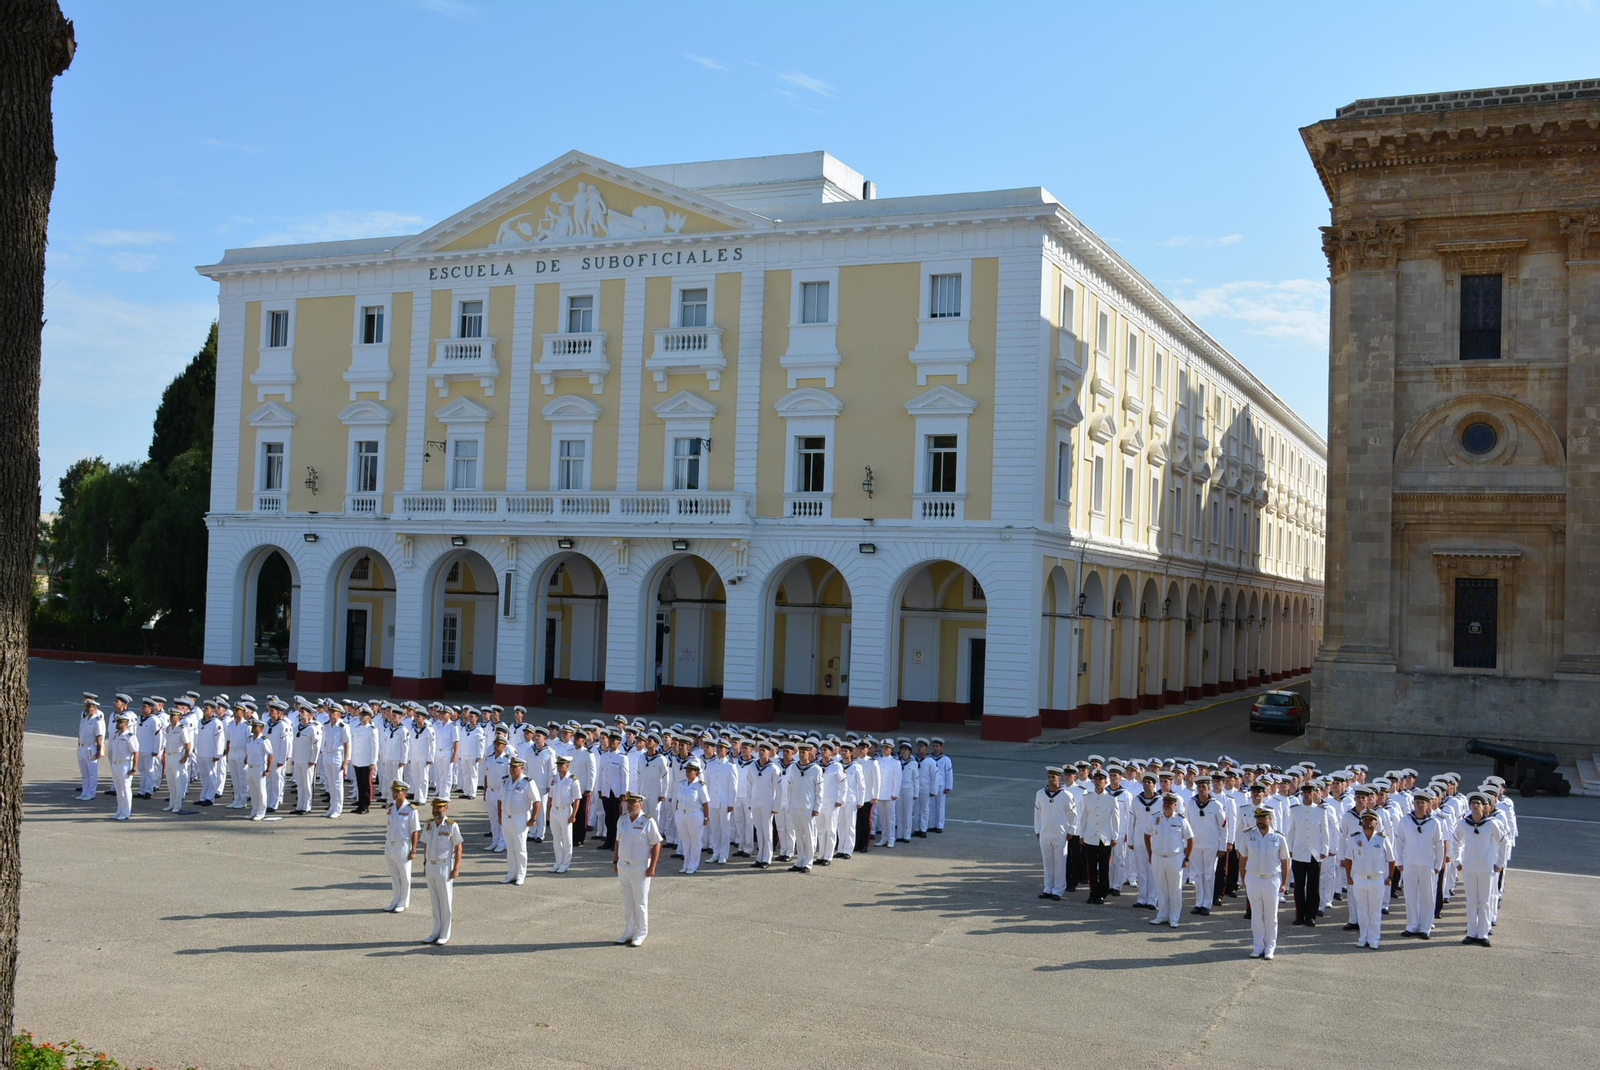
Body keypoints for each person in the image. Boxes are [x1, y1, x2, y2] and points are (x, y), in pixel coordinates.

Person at [1452, 791, 1506, 947]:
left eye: (1478, 803)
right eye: (1473, 803)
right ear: (1469, 806)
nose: (1475, 806)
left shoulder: (1492, 823)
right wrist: (1457, 861)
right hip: (1469, 867)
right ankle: (1471, 932)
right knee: (1471, 901)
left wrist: (1499, 863)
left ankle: (1482, 933)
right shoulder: (1463, 824)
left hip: (1486, 867)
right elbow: (1456, 843)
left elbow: (1503, 842)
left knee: (1484, 901)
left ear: (1483, 807)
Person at [1238, 806, 1290, 959]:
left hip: (1272, 879)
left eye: (1263, 817)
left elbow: (1285, 861)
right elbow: (1243, 858)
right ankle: (1258, 945)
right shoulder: (1248, 836)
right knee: (1256, 915)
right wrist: (1243, 879)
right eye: (1258, 818)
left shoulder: (1279, 837)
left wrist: (1284, 883)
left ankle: (1270, 946)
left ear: (1270, 819)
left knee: (1271, 916)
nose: (1260, 820)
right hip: (1253, 878)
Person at [614, 792, 663, 947]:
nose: (629, 805)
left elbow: (656, 844)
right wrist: (615, 860)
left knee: (640, 902)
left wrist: (652, 866)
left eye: (632, 803)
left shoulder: (647, 821)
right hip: (624, 866)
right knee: (628, 902)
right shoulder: (622, 820)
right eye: (628, 803)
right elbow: (618, 841)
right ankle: (628, 931)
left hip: (640, 867)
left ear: (640, 804)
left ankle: (641, 933)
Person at [1396, 789, 1446, 939]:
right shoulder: (1405, 820)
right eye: (1417, 802)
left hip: (1427, 864)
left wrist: (1438, 864)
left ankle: (1425, 927)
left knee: (1427, 896)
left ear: (1428, 804)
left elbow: (1439, 845)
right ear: (1413, 803)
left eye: (1422, 803)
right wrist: (1399, 861)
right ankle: (1411, 925)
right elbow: (1399, 842)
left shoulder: (1435, 822)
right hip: (1410, 863)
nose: (1419, 805)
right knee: (1410, 895)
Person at [1342, 808, 1395, 949]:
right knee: (1362, 910)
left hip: (1377, 879)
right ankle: (1362, 936)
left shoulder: (1382, 839)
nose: (1368, 821)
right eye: (1365, 819)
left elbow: (1391, 859)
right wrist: (1349, 877)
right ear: (1361, 822)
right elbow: (1348, 859)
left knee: (1375, 910)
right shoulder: (1354, 838)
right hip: (1359, 878)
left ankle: (1374, 938)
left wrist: (1390, 877)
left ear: (1376, 823)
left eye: (1371, 819)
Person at [1145, 793, 1194, 927]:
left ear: (1175, 805)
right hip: (1158, 857)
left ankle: (1174, 917)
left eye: (1170, 802)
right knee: (1161, 888)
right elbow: (1147, 835)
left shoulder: (1180, 820)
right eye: (1165, 802)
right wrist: (1150, 854)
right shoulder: (1155, 818)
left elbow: (1190, 839)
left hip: (1175, 858)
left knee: (1175, 889)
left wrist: (1187, 858)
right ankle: (1162, 915)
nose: (1167, 804)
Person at [420, 797, 463, 945]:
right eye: (434, 807)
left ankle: (445, 932)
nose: (436, 810)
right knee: (434, 900)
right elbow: (425, 844)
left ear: (446, 809)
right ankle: (436, 930)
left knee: (445, 901)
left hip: (444, 866)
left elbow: (458, 847)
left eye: (439, 808)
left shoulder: (451, 825)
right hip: (431, 866)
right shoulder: (428, 825)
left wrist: (456, 868)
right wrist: (425, 862)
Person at [1287, 783, 1330, 927]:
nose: (1306, 794)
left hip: (1314, 853)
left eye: (1309, 792)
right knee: (1299, 886)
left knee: (1313, 886)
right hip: (1299, 852)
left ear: (1314, 794)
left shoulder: (1321, 811)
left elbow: (1325, 832)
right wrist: (1289, 848)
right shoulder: (1294, 810)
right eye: (1304, 792)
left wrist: (1325, 849)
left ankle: (1310, 915)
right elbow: (1291, 831)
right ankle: (1300, 914)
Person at [1034, 766, 1077, 900]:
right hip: (1045, 833)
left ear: (1059, 778)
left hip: (1060, 833)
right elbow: (1037, 813)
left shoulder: (1066, 795)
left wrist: (1071, 830)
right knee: (1047, 862)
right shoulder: (1040, 793)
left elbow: (1073, 815)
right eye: (1049, 777)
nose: (1051, 779)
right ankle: (1048, 887)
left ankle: (1058, 889)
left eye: (1054, 777)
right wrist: (1038, 830)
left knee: (1060, 862)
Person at [499, 756, 543, 886]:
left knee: (520, 848)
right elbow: (500, 799)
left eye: (515, 767)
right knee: (510, 848)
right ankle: (511, 873)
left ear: (522, 768)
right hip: (507, 818)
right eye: (511, 766)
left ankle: (521, 874)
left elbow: (537, 801)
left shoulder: (527, 782)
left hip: (520, 818)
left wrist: (533, 818)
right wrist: (500, 814)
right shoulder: (505, 781)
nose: (511, 769)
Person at [1188, 776, 1228, 915]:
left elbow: (1224, 827)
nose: (1201, 789)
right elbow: (1186, 825)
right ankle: (1198, 902)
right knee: (1198, 875)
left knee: (1209, 875)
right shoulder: (1191, 803)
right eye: (1199, 787)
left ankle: (1207, 903)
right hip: (1196, 845)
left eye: (1204, 787)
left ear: (1209, 788)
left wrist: (1222, 846)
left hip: (1211, 845)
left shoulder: (1216, 804)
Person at [1079, 769, 1120, 904]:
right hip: (1090, 836)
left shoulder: (1111, 799)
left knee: (1103, 867)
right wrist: (1081, 834)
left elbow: (1115, 819)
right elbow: (1084, 817)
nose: (1098, 782)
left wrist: (1115, 836)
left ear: (1105, 781)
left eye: (1101, 780)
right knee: (1091, 867)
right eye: (1096, 780)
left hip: (1105, 838)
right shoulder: (1087, 798)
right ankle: (1093, 892)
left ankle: (1102, 892)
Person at [383, 781, 420, 912]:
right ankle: (395, 899)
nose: (395, 794)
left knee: (404, 876)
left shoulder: (411, 810)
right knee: (394, 875)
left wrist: (414, 850)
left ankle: (403, 902)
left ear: (405, 793)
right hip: (390, 844)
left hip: (403, 845)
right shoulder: (390, 808)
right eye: (393, 791)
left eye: (397, 791)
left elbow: (415, 831)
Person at [547, 754, 583, 873]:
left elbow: (577, 799)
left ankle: (566, 863)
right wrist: (548, 811)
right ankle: (558, 861)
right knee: (556, 838)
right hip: (554, 810)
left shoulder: (573, 780)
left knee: (567, 839)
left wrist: (573, 815)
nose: (558, 767)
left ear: (567, 766)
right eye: (558, 764)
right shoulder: (554, 778)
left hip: (566, 810)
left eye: (561, 765)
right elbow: (550, 797)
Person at [675, 758, 710, 874]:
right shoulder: (682, 783)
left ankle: (693, 865)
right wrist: (678, 812)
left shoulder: (700, 786)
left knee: (695, 841)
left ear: (697, 772)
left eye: (691, 770)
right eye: (687, 770)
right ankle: (686, 864)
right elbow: (678, 800)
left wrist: (706, 817)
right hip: (682, 814)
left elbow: (705, 803)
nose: (688, 772)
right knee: (685, 841)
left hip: (695, 814)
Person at [162, 703, 195, 812]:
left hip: (178, 757)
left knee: (178, 781)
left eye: (174, 715)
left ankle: (178, 805)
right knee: (170, 781)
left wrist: (186, 756)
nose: (171, 717)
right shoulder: (169, 728)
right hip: (170, 756)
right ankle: (172, 803)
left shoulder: (182, 728)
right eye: (171, 715)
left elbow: (187, 743)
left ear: (179, 717)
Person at [320, 705, 351, 818]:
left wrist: (346, 761)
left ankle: (338, 809)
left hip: (337, 756)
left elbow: (347, 744)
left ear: (339, 714)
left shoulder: (343, 726)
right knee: (330, 783)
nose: (331, 714)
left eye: (333, 712)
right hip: (327, 755)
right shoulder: (326, 725)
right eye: (330, 711)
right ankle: (331, 807)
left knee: (337, 784)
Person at [243, 715, 274, 821]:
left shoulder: (264, 740)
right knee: (253, 791)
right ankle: (254, 810)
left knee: (261, 791)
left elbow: (270, 755)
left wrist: (268, 770)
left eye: (255, 726)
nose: (253, 728)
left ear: (261, 728)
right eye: (253, 726)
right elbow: (249, 752)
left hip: (259, 768)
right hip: (250, 767)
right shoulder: (250, 739)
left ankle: (261, 812)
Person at [107, 709, 136, 820]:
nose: (117, 724)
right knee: (119, 790)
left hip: (125, 765)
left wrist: (134, 767)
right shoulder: (115, 735)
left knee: (125, 789)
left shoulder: (130, 736)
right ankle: (120, 810)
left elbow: (135, 752)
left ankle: (126, 812)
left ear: (126, 723)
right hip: (116, 764)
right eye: (117, 722)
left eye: (120, 722)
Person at [75, 694, 105, 800]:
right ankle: (84, 792)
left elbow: (99, 736)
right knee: (84, 772)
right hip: (82, 747)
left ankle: (91, 793)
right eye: (87, 707)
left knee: (92, 773)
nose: (88, 709)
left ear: (95, 707)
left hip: (91, 748)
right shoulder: (85, 717)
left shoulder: (97, 719)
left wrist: (99, 750)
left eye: (90, 707)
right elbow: (80, 732)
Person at [349, 706, 378, 814]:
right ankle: (360, 804)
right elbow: (354, 744)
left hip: (367, 761)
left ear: (369, 717)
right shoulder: (356, 728)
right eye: (361, 715)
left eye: (365, 715)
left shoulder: (372, 730)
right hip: (358, 760)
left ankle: (365, 806)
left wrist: (373, 762)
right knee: (359, 784)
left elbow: (375, 747)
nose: (362, 717)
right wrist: (353, 758)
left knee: (366, 784)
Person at [931, 736, 952, 832]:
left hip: (941, 785)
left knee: (940, 805)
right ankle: (932, 824)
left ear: (941, 747)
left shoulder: (946, 759)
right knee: (931, 805)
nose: (935, 748)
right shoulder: (929, 758)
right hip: (931, 785)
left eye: (937, 746)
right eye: (934, 746)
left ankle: (939, 825)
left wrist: (948, 786)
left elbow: (949, 774)